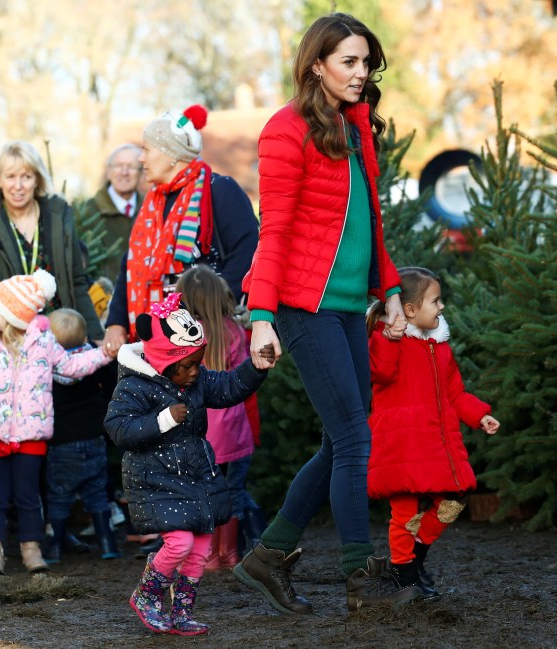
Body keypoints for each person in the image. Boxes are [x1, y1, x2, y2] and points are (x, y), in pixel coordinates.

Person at [233, 12, 420, 614]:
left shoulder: (355, 126)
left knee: (343, 438)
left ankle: (269, 556)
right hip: (301, 305)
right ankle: (361, 578)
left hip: (345, 306)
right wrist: (262, 314)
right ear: (317, 64)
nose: (361, 73)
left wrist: (387, 291)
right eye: (348, 61)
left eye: (367, 63)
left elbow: (371, 221)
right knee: (353, 438)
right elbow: (276, 230)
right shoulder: (285, 131)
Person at [104, 292, 272, 636]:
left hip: (194, 474)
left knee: (199, 547)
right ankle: (147, 595)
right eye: (187, 366)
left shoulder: (195, 380)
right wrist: (163, 419)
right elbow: (119, 429)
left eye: (198, 363)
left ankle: (182, 610)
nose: (195, 372)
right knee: (179, 543)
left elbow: (228, 387)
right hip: (155, 480)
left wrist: (255, 368)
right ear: (164, 362)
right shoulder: (134, 386)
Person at [0, 270, 113, 577]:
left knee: (28, 495)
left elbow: (71, 366)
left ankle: (30, 548)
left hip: (31, 434)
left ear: (11, 315)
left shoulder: (43, 343)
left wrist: (102, 355)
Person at [366, 267, 500, 600]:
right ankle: (403, 572)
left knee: (453, 500)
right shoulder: (389, 343)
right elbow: (379, 372)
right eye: (435, 301)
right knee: (404, 513)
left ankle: (415, 559)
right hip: (403, 444)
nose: (441, 308)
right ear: (409, 309)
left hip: (437, 442)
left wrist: (479, 415)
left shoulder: (440, 348)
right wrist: (387, 334)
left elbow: (455, 393)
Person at [101, 105, 259, 358]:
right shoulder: (152, 205)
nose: (141, 159)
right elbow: (130, 266)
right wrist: (116, 323)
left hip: (208, 339)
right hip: (154, 341)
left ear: (169, 153)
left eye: (146, 150)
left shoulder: (219, 190)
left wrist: (210, 310)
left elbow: (247, 253)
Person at [0, 141, 102, 342]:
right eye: (10, 177)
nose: (18, 186)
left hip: (60, 334)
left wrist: (96, 335)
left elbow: (77, 282)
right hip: (9, 334)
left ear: (37, 179)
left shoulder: (58, 215)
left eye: (26, 177)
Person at [175, 265, 259, 571]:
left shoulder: (186, 335)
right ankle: (230, 554)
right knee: (233, 492)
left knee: (204, 495)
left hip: (203, 433)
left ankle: (209, 556)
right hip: (236, 432)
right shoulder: (234, 331)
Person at [43, 308, 120, 564]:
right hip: (93, 438)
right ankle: (108, 543)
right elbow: (110, 380)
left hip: (61, 443)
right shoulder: (93, 361)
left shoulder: (46, 368)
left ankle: (54, 547)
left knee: (60, 495)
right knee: (97, 493)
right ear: (85, 335)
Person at [80, 144, 144, 282]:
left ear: (141, 172)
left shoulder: (151, 209)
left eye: (132, 167)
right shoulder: (88, 212)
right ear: (109, 171)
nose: (124, 172)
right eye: (119, 166)